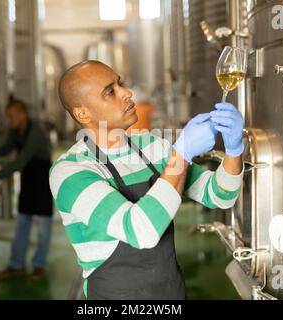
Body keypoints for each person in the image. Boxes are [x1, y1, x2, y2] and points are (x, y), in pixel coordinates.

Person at [49, 60, 244, 299]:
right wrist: (180, 155)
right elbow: (141, 231)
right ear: (82, 113)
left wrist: (234, 150)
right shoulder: (70, 170)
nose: (127, 93)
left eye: (120, 83)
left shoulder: (152, 146)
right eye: (110, 91)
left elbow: (220, 196)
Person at [0, 100, 53, 281]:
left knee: (43, 227)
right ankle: (16, 264)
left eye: (11, 116)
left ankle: (39, 265)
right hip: (28, 179)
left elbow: (20, 161)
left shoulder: (35, 134)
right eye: (7, 116)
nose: (8, 120)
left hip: (42, 180)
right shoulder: (15, 130)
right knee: (22, 222)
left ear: (22, 114)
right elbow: (7, 147)